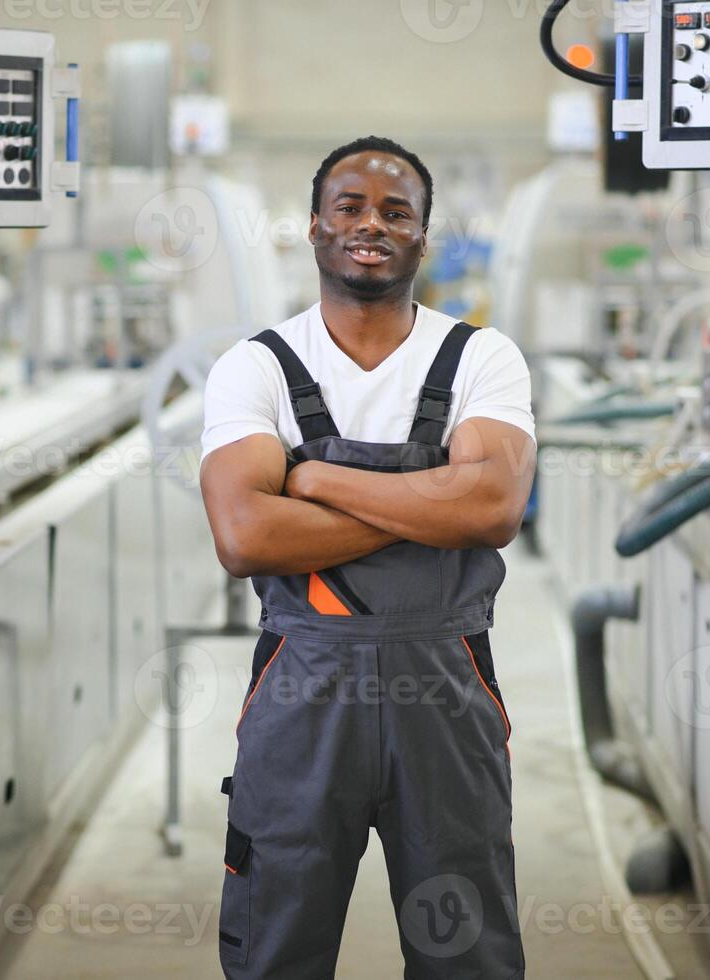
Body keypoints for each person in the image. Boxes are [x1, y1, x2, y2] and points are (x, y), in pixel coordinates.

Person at [198, 135, 536, 979]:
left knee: (467, 946)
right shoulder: (257, 367)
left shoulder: (479, 357)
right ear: (314, 227)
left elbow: (492, 507)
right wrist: (432, 503)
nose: (370, 225)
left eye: (396, 212)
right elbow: (244, 536)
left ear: (423, 237)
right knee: (277, 942)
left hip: (445, 689)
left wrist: (312, 479)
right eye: (349, 207)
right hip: (301, 691)